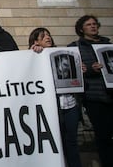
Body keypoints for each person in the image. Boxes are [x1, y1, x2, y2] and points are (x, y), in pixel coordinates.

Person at [29, 27, 82, 167]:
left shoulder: (64, 55)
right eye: (43, 36)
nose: (48, 37)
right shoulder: (32, 57)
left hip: (70, 105)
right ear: (36, 41)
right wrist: (33, 53)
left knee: (71, 142)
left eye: (49, 35)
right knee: (54, 143)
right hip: (50, 107)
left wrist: (80, 70)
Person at [67, 15, 113, 167]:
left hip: (111, 93)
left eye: (94, 24)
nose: (93, 27)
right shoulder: (75, 47)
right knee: (103, 136)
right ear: (81, 29)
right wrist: (88, 70)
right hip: (94, 97)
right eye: (88, 24)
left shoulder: (108, 45)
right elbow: (72, 70)